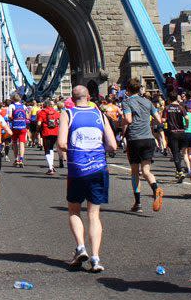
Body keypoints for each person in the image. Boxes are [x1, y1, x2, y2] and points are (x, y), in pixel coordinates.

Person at [58, 85, 116, 273]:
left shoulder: (68, 114)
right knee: (94, 214)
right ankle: (96, 258)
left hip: (77, 170)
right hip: (99, 168)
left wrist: (77, 151)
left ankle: (81, 247)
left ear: (73, 99)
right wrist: (97, 150)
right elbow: (113, 145)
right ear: (89, 97)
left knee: (74, 210)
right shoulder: (100, 115)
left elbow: (61, 143)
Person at [121, 78, 164, 213]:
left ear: (127, 90)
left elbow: (128, 119)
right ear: (139, 89)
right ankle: (155, 188)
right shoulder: (148, 101)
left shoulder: (127, 102)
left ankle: (138, 203)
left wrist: (120, 125)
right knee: (146, 171)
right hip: (148, 138)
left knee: (135, 172)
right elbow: (159, 119)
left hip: (135, 139)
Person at [162, 92, 189, 182]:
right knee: (181, 152)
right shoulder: (181, 107)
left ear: (169, 99)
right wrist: (187, 126)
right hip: (182, 132)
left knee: (175, 152)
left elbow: (163, 120)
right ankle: (179, 170)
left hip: (172, 132)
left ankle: (179, 171)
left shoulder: (167, 108)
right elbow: (187, 118)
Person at [7, 94, 29, 167]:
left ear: (13, 99)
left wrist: (13, 119)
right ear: (20, 99)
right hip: (23, 126)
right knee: (22, 143)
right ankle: (21, 159)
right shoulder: (24, 106)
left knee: (14, 143)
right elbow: (27, 116)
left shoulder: (11, 106)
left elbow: (9, 116)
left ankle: (16, 159)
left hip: (15, 127)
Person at [40, 100, 61, 174]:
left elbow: (39, 123)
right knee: (51, 148)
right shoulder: (56, 112)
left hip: (46, 132)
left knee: (47, 150)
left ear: (45, 105)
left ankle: (50, 168)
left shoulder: (42, 112)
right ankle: (51, 165)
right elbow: (59, 121)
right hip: (55, 132)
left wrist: (38, 129)